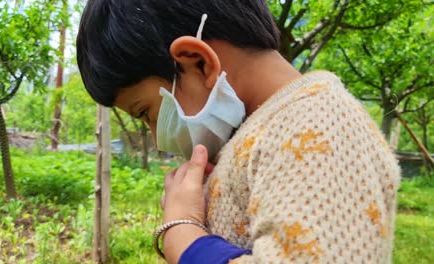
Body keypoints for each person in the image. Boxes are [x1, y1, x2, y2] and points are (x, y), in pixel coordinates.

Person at [76, 1, 401, 263]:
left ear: (199, 62)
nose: (157, 136)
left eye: (145, 113)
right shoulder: (266, 130)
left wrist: (182, 235)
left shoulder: (320, 125)